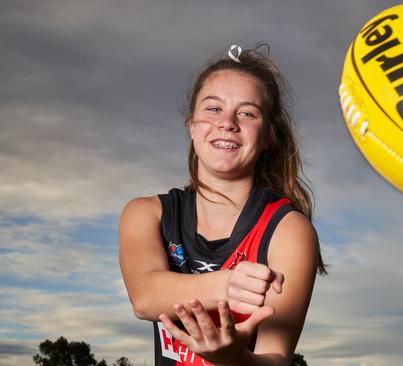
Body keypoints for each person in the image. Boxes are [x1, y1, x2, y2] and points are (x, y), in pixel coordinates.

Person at [118, 43, 326, 366]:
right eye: (213, 108)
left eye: (247, 113)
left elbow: (276, 357)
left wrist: (233, 360)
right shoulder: (147, 213)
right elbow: (144, 296)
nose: (227, 122)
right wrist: (228, 285)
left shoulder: (288, 229)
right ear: (191, 124)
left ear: (269, 135)